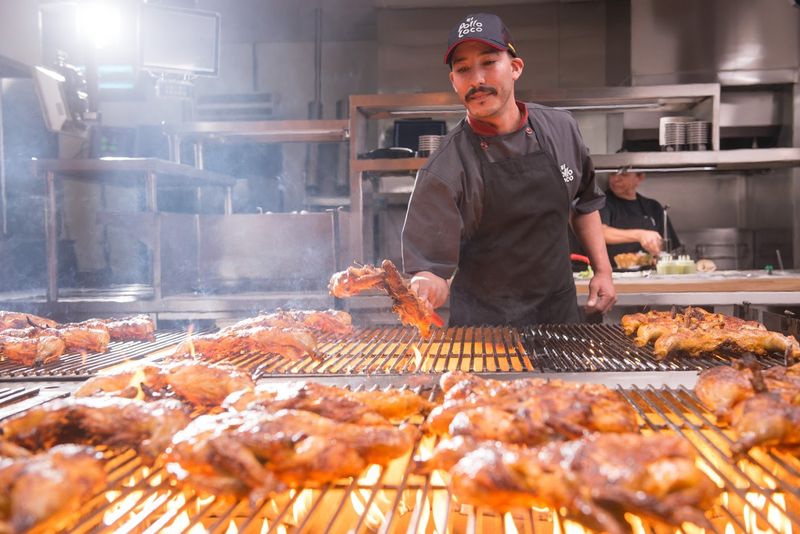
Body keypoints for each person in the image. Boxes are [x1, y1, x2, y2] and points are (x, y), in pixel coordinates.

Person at [401, 13, 615, 326]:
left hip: (560, 318)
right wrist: (426, 286)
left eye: (488, 62)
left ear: (515, 68)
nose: (477, 80)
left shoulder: (561, 129)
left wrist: (604, 272)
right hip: (484, 332)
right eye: (463, 69)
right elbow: (431, 268)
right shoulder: (444, 168)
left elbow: (584, 204)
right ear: (453, 82)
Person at [600, 170, 681, 261]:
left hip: (649, 272)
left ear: (640, 177)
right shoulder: (601, 203)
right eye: (612, 174)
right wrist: (640, 235)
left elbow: (670, 248)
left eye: (624, 175)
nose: (615, 179)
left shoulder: (653, 207)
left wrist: (658, 254)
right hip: (613, 273)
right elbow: (600, 233)